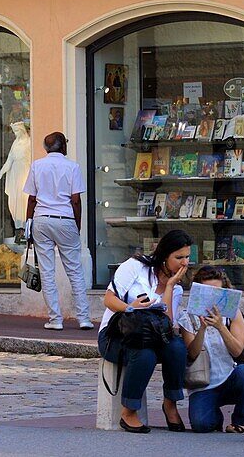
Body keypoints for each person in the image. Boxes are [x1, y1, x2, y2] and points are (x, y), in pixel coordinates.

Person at [98, 230, 191, 434]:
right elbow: (109, 300)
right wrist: (131, 307)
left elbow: (167, 324)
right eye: (179, 257)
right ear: (164, 256)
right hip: (117, 333)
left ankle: (170, 403)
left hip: (153, 335)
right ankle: (128, 411)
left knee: (176, 347)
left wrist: (170, 286)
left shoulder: (176, 288)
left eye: (187, 257)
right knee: (144, 354)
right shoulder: (136, 266)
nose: (184, 263)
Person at [23, 131, 93, 331]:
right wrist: (77, 224)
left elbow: (31, 198)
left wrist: (29, 223)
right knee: (75, 271)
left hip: (42, 219)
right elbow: (76, 200)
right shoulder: (72, 167)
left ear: (46, 148)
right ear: (63, 147)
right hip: (65, 218)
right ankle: (84, 318)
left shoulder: (37, 165)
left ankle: (55, 319)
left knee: (47, 271)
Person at [178, 265, 244, 434]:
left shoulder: (233, 313)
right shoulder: (187, 317)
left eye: (217, 292)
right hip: (203, 384)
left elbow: (237, 351)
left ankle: (239, 422)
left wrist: (221, 327)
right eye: (208, 291)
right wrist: (202, 329)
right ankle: (215, 417)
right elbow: (192, 353)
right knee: (201, 425)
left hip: (230, 377)